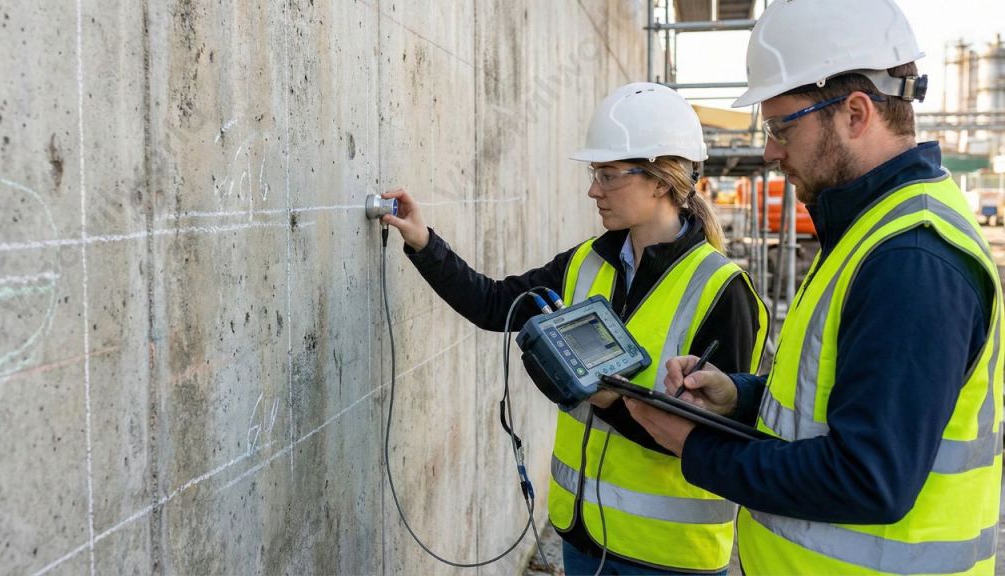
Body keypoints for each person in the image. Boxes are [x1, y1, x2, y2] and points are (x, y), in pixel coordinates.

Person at [625, 1, 1004, 575]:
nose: (771, 150)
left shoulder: (911, 259)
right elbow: (833, 408)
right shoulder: (867, 230)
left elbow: (868, 479)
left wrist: (697, 449)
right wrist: (739, 396)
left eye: (782, 126)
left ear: (855, 113)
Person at [381, 83, 769, 575]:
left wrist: (603, 398)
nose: (593, 190)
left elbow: (717, 443)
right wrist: (423, 242)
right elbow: (494, 303)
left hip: (665, 557)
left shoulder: (723, 290)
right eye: (594, 174)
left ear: (660, 180)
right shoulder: (588, 262)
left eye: (608, 176)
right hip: (583, 541)